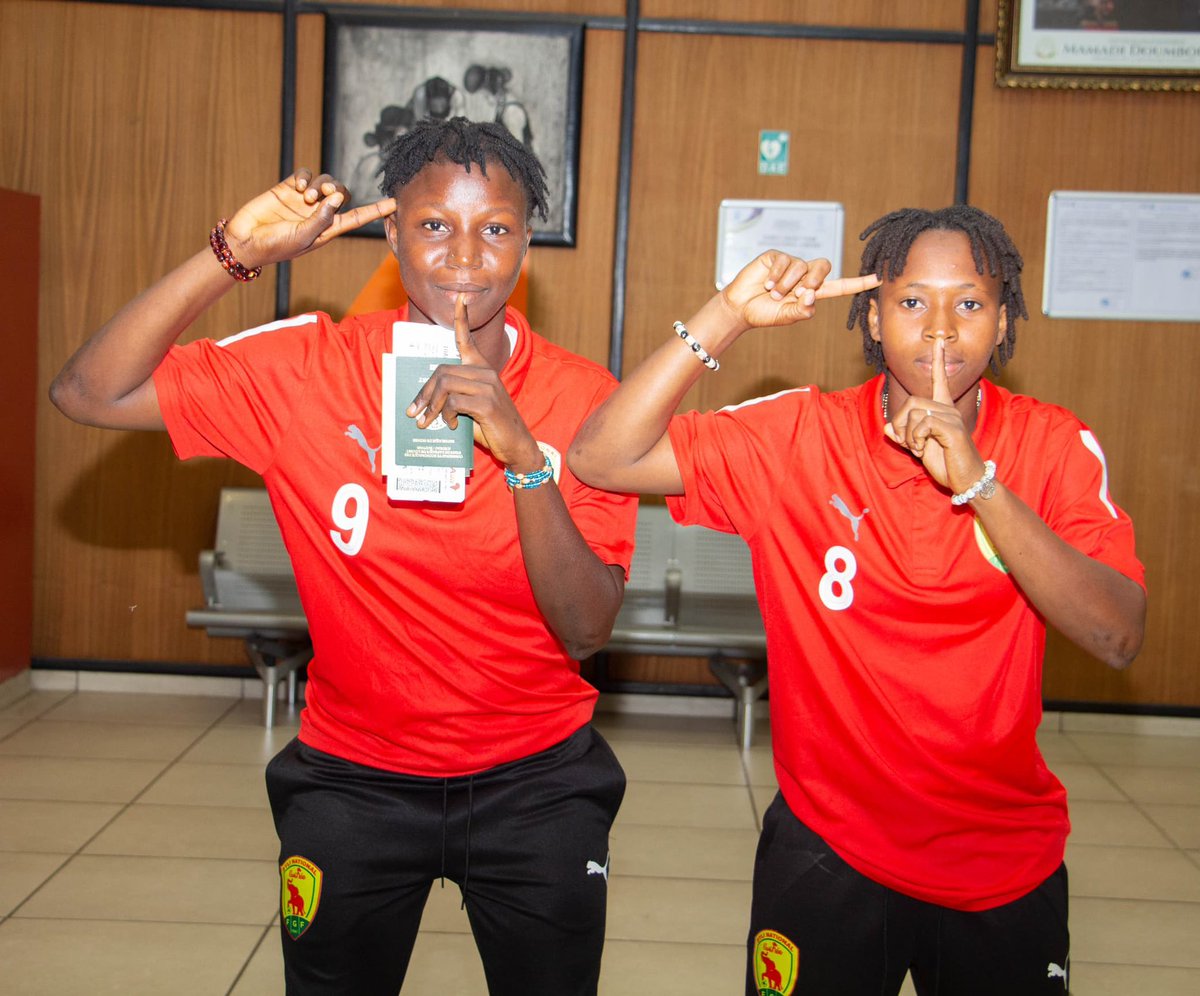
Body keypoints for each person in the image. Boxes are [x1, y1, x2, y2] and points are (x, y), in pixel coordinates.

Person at [50, 117, 635, 995]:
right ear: (391, 233)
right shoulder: (307, 368)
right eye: (433, 224)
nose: (465, 257)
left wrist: (522, 455)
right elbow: (87, 392)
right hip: (354, 781)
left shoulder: (585, 397)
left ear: (527, 244)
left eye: (496, 228)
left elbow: (587, 628)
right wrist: (232, 255)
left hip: (537, 782)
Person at [567, 205, 1146, 995]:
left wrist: (980, 485)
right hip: (827, 848)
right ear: (872, 317)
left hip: (1000, 858)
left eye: (969, 302)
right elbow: (600, 457)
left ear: (1004, 320)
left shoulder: (1052, 446)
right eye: (911, 301)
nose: (939, 329)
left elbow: (1117, 635)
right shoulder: (798, 436)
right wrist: (727, 314)